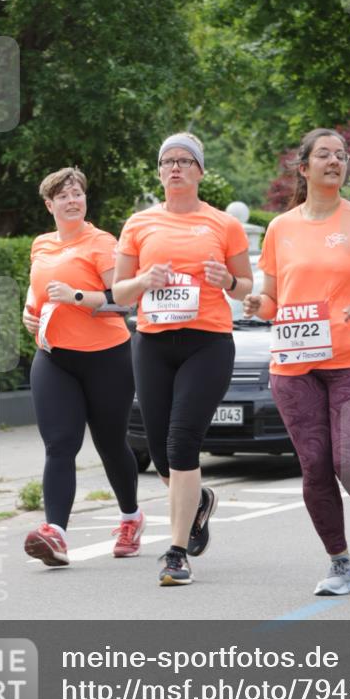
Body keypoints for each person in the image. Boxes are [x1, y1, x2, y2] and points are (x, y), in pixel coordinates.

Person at [244, 129, 350, 595]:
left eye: (341, 155)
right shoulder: (280, 228)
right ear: (304, 168)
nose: (334, 161)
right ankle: (340, 563)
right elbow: (274, 299)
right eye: (324, 154)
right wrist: (260, 306)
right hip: (295, 365)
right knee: (315, 465)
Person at [112, 133, 252, 586]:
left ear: (200, 171)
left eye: (185, 161)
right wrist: (144, 280)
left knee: (181, 440)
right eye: (168, 161)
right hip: (152, 342)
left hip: (207, 342)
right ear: (159, 172)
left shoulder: (221, 224)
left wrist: (226, 278)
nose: (175, 168)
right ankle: (199, 502)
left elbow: (246, 286)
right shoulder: (138, 223)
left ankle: (175, 554)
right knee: (158, 451)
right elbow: (118, 291)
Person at [22, 167, 144, 567]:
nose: (72, 200)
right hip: (55, 358)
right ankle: (55, 533)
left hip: (106, 357)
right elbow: (36, 290)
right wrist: (29, 313)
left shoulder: (102, 243)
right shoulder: (41, 244)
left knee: (110, 444)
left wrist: (78, 296)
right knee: (60, 444)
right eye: (63, 196)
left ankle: (131, 517)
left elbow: (123, 302)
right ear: (49, 204)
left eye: (77, 194)